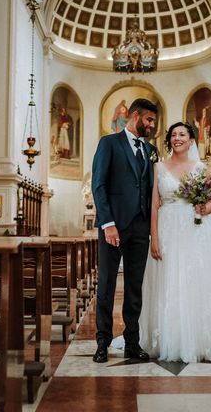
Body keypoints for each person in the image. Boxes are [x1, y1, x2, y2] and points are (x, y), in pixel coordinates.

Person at [139, 122, 211, 363]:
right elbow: (154, 204)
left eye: (182, 135)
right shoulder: (158, 167)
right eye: (173, 135)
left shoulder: (203, 169)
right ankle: (168, 337)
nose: (177, 138)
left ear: (191, 141)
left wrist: (204, 207)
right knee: (168, 280)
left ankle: (199, 339)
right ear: (169, 140)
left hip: (195, 230)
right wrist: (154, 237)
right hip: (167, 229)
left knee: (196, 280)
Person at [91, 98, 159, 363]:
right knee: (106, 286)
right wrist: (107, 224)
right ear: (134, 116)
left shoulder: (151, 149)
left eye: (154, 121)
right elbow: (99, 185)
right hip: (114, 226)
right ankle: (102, 342)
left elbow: (151, 189)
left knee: (134, 287)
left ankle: (132, 341)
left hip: (140, 228)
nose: (152, 125)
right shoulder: (109, 143)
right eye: (149, 120)